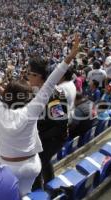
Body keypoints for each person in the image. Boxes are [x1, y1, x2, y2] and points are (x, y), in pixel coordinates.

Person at [0, 35, 80, 195]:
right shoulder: (32, 108)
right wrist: (70, 56)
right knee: (28, 193)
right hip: (32, 166)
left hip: (8, 169)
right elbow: (51, 81)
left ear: (6, 96)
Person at [26, 57, 68, 190]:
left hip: (52, 138)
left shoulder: (53, 95)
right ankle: (50, 186)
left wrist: (39, 136)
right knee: (44, 162)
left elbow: (60, 123)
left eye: (29, 74)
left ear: (38, 76)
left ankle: (39, 192)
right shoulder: (40, 91)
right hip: (46, 136)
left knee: (37, 165)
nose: (28, 77)